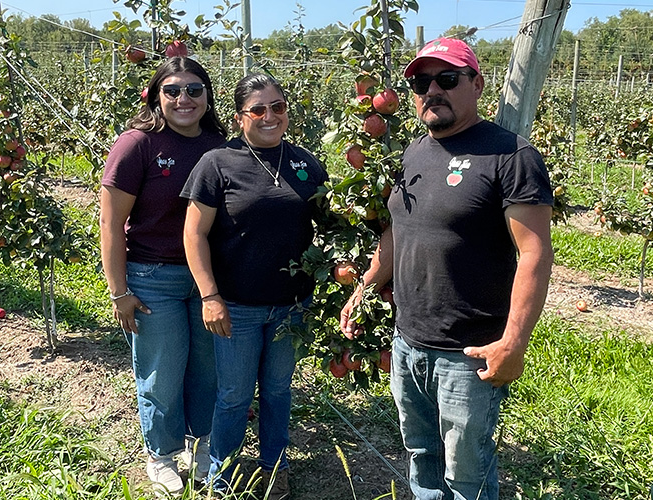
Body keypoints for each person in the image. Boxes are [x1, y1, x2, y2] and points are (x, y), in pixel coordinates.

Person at [340, 37, 554, 500]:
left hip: (469, 353)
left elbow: (535, 254)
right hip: (408, 342)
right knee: (422, 458)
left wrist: (513, 343)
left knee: (467, 476)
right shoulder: (414, 153)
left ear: (476, 84)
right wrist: (366, 286)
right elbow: (398, 230)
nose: (431, 90)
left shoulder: (511, 156)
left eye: (447, 78)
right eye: (420, 82)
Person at [181, 73, 328, 500]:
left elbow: (334, 220)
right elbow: (194, 235)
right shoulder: (218, 163)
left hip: (292, 305)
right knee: (233, 394)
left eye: (278, 107)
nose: (270, 116)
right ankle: (220, 478)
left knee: (279, 391)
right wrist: (210, 295)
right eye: (258, 110)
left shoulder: (304, 163)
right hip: (237, 307)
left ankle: (274, 467)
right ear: (238, 117)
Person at [100, 56, 227, 496]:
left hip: (209, 278)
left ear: (207, 96)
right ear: (155, 96)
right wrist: (119, 290)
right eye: (172, 90)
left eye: (194, 90)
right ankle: (162, 454)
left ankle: (203, 444)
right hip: (154, 275)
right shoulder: (138, 144)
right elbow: (110, 223)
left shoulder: (218, 144)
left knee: (209, 368)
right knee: (162, 370)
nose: (183, 99)